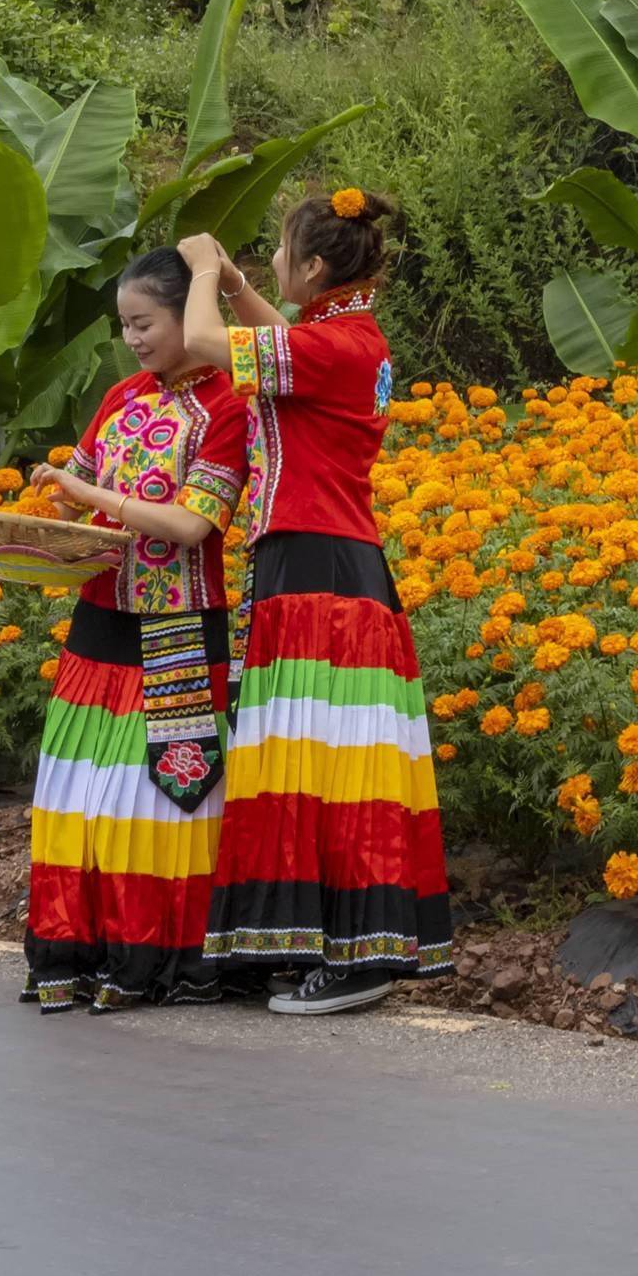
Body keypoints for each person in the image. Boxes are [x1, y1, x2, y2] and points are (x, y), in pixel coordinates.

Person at [182, 189, 451, 1011]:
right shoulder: (345, 337)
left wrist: (199, 273)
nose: (267, 260)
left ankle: (359, 958)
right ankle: (326, 943)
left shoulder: (334, 347)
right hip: (326, 563)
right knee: (320, 757)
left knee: (330, 761)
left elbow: (203, 343)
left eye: (278, 250)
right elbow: (276, 335)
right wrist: (231, 279)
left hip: (319, 570)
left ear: (315, 268)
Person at [10, 246, 253, 1012]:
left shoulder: (227, 407)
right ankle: (77, 953)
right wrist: (5, 545)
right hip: (98, 625)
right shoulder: (120, 396)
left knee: (157, 801)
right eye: (124, 326)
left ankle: (158, 959)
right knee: (82, 797)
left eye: (144, 322)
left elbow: (189, 524)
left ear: (189, 315)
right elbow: (67, 506)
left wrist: (90, 494)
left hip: (177, 629)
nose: (134, 340)